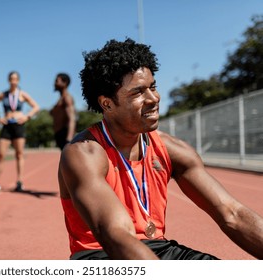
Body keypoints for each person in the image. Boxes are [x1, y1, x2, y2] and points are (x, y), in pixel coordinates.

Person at [58, 38, 263, 260]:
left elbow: (232, 214)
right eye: (138, 92)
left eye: (153, 87)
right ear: (107, 104)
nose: (153, 98)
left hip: (158, 249)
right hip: (101, 255)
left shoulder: (171, 149)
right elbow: (115, 233)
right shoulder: (83, 153)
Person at [0, 71, 39, 192]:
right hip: (6, 126)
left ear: (18, 81)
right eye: (11, 79)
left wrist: (27, 116)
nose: (13, 81)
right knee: (1, 154)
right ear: (8, 80)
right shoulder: (3, 94)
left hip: (18, 126)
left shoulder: (22, 94)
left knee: (19, 154)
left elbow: (36, 106)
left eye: (15, 79)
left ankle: (19, 182)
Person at [50, 73, 76, 150]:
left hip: (65, 134)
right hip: (59, 134)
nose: (54, 83)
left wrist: (69, 139)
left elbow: (72, 119)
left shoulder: (67, 98)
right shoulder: (60, 99)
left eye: (57, 81)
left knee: (69, 161)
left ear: (64, 83)